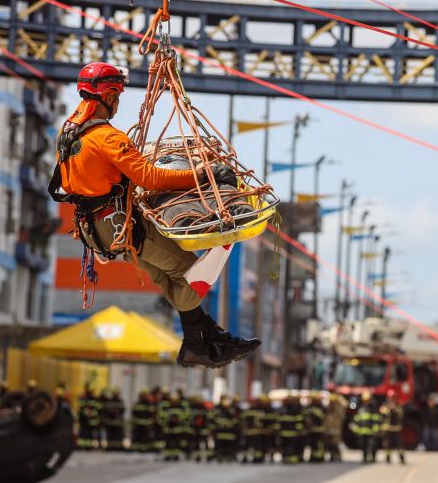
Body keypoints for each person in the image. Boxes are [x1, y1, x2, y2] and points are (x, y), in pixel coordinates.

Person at [49, 62, 259, 368]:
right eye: (117, 96)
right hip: (122, 225)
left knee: (166, 277)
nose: (118, 103)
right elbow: (151, 178)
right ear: (106, 94)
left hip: (98, 229)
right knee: (189, 273)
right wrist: (200, 174)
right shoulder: (107, 137)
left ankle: (205, 339)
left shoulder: (68, 131)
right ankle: (198, 342)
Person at [351, 391, 381, 463]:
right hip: (362, 431)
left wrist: (376, 427)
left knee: (372, 445)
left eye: (367, 400)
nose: (366, 402)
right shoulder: (361, 408)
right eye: (364, 400)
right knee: (363, 445)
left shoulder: (373, 408)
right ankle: (364, 457)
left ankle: (373, 457)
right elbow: (357, 419)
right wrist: (355, 427)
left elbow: (377, 418)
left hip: (371, 431)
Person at [278, 394, 305, 464]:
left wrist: (299, 429)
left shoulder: (295, 409)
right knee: (284, 446)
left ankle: (293, 459)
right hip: (284, 433)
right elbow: (279, 420)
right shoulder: (282, 409)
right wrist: (278, 429)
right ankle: (286, 458)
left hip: (293, 433)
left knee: (293, 447)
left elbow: (299, 420)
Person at [381, 390, 405, 464]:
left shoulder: (398, 405)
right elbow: (382, 411)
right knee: (387, 444)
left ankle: (401, 458)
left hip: (396, 428)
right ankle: (388, 458)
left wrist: (395, 410)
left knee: (399, 444)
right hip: (388, 428)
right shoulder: (385, 405)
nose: (391, 399)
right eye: (390, 397)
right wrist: (389, 409)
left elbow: (401, 414)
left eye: (393, 397)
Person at [324, 393, 347, 462]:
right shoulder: (328, 409)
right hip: (328, 429)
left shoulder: (339, 409)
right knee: (329, 444)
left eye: (333, 401)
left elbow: (345, 405)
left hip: (336, 429)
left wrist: (339, 398)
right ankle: (332, 456)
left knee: (335, 444)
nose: (332, 403)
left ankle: (338, 456)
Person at [305, 392, 326, 463]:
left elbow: (322, 417)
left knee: (319, 444)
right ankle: (313, 457)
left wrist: (313, 419)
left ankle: (320, 457)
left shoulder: (321, 407)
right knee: (312, 444)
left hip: (319, 429)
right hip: (311, 429)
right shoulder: (309, 407)